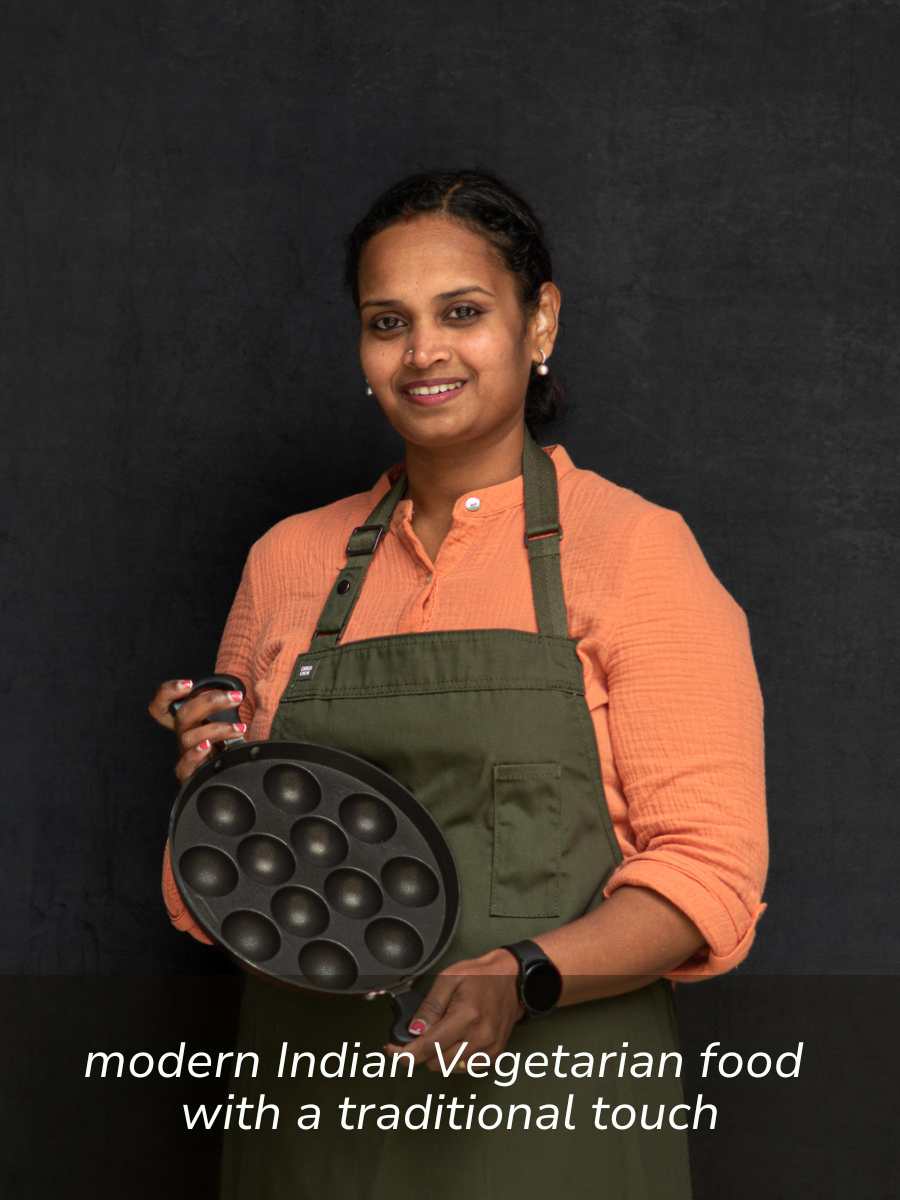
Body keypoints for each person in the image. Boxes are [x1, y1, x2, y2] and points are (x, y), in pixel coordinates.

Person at [148, 168, 768, 1198]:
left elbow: (709, 873)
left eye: (463, 313)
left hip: (550, 1113)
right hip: (313, 1112)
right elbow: (228, 889)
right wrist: (213, 799)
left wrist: (517, 976)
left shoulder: (635, 553)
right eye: (388, 320)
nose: (423, 351)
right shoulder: (289, 563)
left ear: (540, 324)